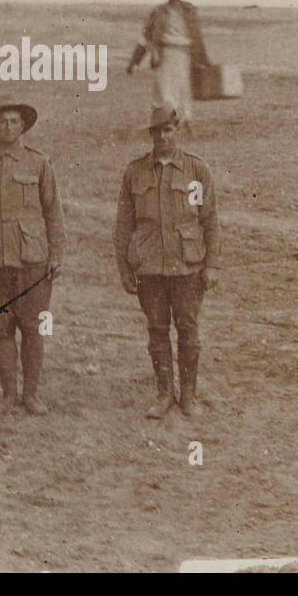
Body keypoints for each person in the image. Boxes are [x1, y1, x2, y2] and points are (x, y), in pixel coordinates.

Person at [0, 95, 67, 418]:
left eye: (14, 121)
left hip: (31, 259)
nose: (8, 127)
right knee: (1, 330)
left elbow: (52, 211)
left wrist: (56, 254)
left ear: (23, 126)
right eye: (2, 121)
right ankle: (8, 395)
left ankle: (31, 395)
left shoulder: (39, 163)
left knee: (33, 328)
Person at [114, 107, 220, 419]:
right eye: (156, 131)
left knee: (188, 328)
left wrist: (212, 265)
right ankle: (164, 394)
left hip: (187, 266)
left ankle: (188, 396)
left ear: (176, 131)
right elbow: (123, 225)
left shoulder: (196, 170)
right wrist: (124, 268)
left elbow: (210, 220)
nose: (162, 137)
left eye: (168, 130)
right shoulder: (135, 172)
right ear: (150, 134)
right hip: (149, 267)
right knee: (157, 329)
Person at [127, 0, 209, 124]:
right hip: (165, 55)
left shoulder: (188, 10)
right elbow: (146, 37)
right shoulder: (159, 12)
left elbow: (197, 37)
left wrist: (204, 60)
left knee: (183, 89)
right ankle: (168, 122)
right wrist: (135, 61)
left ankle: (185, 122)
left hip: (184, 55)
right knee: (165, 90)